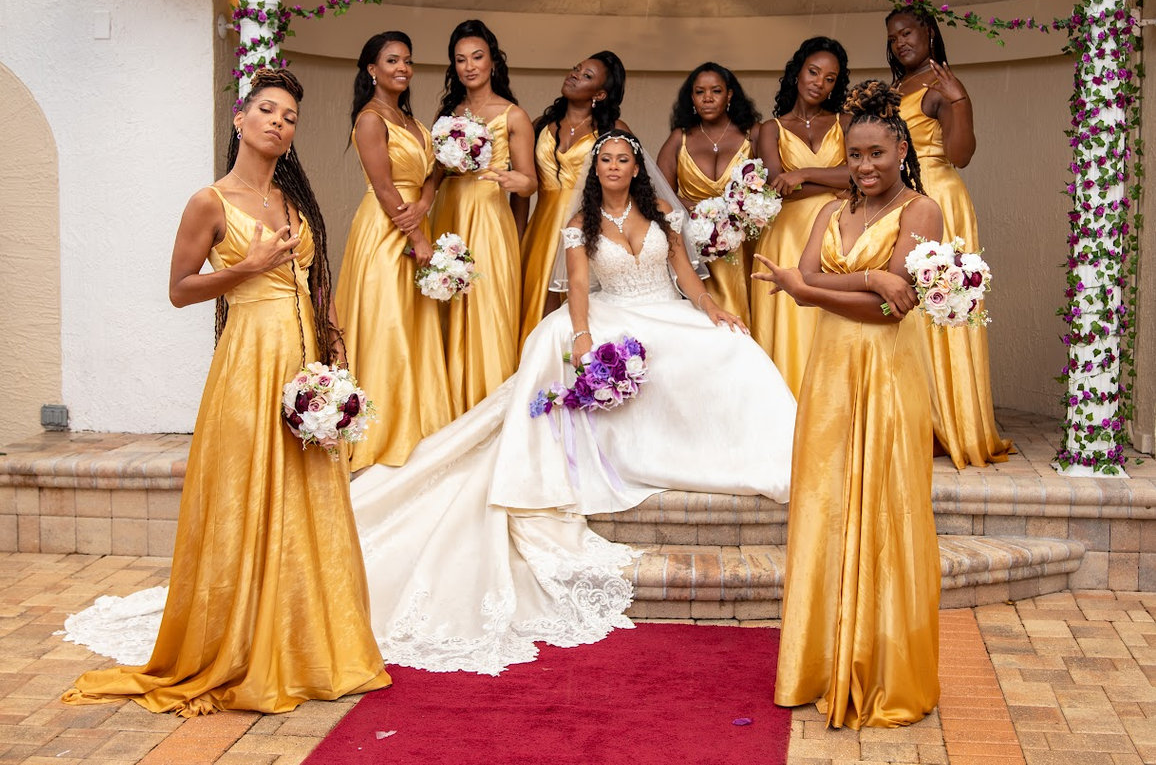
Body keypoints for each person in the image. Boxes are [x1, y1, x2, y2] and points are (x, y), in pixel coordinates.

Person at [60, 129, 796, 679]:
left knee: (729, 349)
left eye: (621, 160)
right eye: (602, 159)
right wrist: (578, 333)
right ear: (594, 169)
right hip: (604, 314)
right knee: (570, 351)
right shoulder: (579, 226)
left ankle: (734, 451)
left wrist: (713, 309)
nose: (612, 167)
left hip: (663, 308)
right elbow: (577, 287)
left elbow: (688, 279)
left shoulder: (663, 220)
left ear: (636, 168)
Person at [61, 69, 390, 716]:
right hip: (248, 365)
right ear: (240, 119)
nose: (278, 123)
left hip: (304, 371)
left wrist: (336, 352)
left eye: (290, 117)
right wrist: (244, 268)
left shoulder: (294, 202)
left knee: (308, 501)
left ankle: (308, 647)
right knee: (248, 495)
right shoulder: (208, 202)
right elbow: (179, 289)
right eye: (267, 110)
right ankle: (241, 644)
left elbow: (315, 282)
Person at [756, 81, 943, 728]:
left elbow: (890, 310)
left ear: (901, 151)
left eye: (876, 154)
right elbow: (810, 279)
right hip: (830, 373)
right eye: (855, 155)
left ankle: (881, 666)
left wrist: (822, 290)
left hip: (887, 373)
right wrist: (868, 276)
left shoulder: (922, 211)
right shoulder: (831, 211)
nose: (865, 166)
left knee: (884, 508)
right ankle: (820, 661)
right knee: (826, 505)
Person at [886, 6, 1012, 467]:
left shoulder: (943, 85)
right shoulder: (896, 87)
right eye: (893, 37)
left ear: (929, 32)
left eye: (907, 32)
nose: (900, 42)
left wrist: (960, 102)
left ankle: (950, 422)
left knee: (940, 305)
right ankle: (915, 419)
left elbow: (961, 155)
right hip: (898, 198)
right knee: (902, 307)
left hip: (938, 197)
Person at [336, 31, 453, 468]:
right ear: (372, 69)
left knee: (412, 322)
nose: (402, 67)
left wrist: (425, 203)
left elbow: (432, 173)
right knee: (387, 324)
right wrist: (417, 236)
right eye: (392, 60)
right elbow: (384, 187)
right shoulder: (370, 119)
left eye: (407, 60)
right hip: (385, 229)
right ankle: (381, 433)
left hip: (413, 217)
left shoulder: (412, 121)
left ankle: (415, 423)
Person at [431, 19, 537, 417]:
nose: (469, 66)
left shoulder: (513, 116)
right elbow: (436, 174)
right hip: (449, 215)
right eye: (460, 60)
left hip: (490, 219)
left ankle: (489, 413)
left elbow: (530, 183)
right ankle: (449, 412)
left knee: (487, 309)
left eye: (477, 57)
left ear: (493, 61)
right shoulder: (448, 114)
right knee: (446, 301)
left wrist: (514, 181)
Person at [749, 37, 851, 397]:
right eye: (813, 72)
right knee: (790, 319)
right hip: (787, 235)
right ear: (797, 73)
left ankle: (829, 406)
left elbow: (859, 173)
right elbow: (778, 187)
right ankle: (787, 406)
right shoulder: (770, 129)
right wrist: (835, 181)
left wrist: (803, 173)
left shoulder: (846, 122)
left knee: (829, 315)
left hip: (838, 231)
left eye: (830, 78)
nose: (819, 83)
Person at [516, 51, 629, 350]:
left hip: (588, 232)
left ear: (600, 94)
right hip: (540, 235)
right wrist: (517, 239)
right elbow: (522, 192)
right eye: (576, 69)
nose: (575, 75)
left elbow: (628, 188)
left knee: (578, 318)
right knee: (536, 314)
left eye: (587, 76)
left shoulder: (613, 130)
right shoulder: (540, 125)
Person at [657, 62, 761, 325]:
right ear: (691, 98)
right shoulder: (679, 138)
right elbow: (659, 193)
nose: (707, 98)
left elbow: (770, 186)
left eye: (716, 91)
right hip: (695, 243)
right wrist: (695, 208)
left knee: (747, 312)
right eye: (699, 92)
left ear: (729, 95)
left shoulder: (753, 134)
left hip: (745, 245)